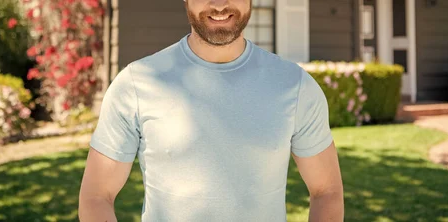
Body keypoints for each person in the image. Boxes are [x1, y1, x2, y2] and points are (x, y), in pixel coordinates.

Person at [78, 0, 344, 221]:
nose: (219, 5)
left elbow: (327, 191)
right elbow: (97, 195)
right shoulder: (136, 83)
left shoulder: (295, 86)